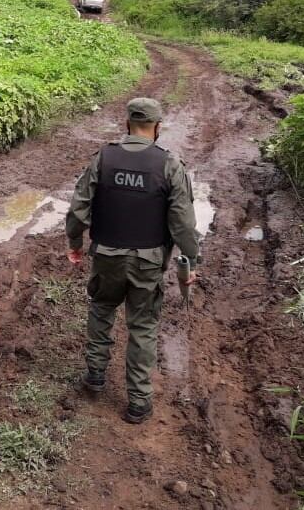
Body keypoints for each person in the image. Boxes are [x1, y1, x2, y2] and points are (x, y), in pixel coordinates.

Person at [65, 98, 200, 424]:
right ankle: (138, 402)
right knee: (142, 327)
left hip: (107, 257)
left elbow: (78, 210)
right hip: (148, 262)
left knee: (101, 310)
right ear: (157, 128)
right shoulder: (169, 165)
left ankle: (95, 376)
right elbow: (182, 224)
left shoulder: (103, 158)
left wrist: (74, 244)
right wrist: (191, 262)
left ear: (127, 124)